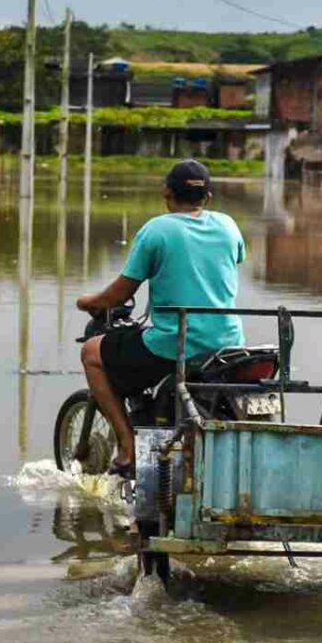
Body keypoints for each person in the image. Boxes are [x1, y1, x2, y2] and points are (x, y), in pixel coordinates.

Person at [76, 159, 246, 478]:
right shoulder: (227, 224)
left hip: (175, 342)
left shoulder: (157, 230)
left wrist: (90, 302)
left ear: (166, 192)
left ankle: (127, 448)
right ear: (207, 198)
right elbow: (234, 259)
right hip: (228, 343)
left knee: (91, 353)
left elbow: (122, 292)